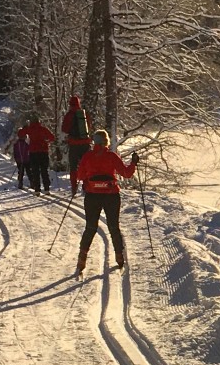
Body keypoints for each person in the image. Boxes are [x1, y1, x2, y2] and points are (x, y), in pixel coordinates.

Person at [70, 129, 138, 275]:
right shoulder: (111, 156)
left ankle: (82, 260)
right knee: (114, 226)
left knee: (90, 227)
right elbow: (126, 173)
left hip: (92, 196)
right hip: (111, 195)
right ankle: (119, 259)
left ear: (94, 141)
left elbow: (80, 176)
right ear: (106, 141)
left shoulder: (87, 156)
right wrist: (133, 163)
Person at [20, 115, 56, 194]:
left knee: (35, 171)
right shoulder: (43, 129)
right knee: (44, 170)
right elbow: (52, 137)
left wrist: (25, 128)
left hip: (33, 152)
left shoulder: (29, 129)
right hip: (43, 151)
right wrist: (47, 142)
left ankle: (37, 189)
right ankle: (46, 188)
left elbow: (20, 134)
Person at [60, 95, 91, 175]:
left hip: (74, 144)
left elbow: (64, 129)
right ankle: (86, 184)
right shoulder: (83, 114)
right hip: (85, 144)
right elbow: (89, 126)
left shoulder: (69, 115)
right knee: (86, 166)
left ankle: (74, 185)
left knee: (73, 167)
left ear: (70, 104)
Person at [10, 122, 32, 188]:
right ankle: (32, 183)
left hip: (19, 160)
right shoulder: (26, 144)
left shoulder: (17, 144)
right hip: (26, 160)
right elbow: (29, 151)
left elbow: (15, 152)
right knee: (28, 172)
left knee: (21, 172)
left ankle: (20, 183)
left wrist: (16, 159)